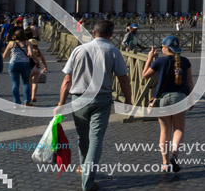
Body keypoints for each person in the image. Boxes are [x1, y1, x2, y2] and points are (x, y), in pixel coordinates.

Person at [55, 19, 132, 191]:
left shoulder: (78, 50)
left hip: (78, 99)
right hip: (101, 99)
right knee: (96, 139)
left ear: (93, 32)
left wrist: (61, 103)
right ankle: (88, 181)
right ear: (111, 35)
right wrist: (128, 99)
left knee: (83, 138)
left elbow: (67, 80)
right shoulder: (113, 51)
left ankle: (84, 169)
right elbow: (124, 78)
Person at [142, 36, 194, 172]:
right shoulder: (185, 61)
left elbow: (144, 75)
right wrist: (191, 99)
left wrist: (149, 58)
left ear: (166, 48)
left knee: (164, 131)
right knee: (179, 129)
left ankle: (165, 162)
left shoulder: (160, 61)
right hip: (180, 98)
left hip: (162, 99)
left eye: (162, 47)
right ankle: (175, 154)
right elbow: (189, 82)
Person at [2, 29, 35, 106]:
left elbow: (4, 56)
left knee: (15, 84)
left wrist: (11, 53)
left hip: (13, 64)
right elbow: (31, 53)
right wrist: (37, 61)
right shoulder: (27, 43)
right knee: (26, 83)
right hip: (25, 63)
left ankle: (16, 103)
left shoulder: (11, 44)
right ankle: (27, 101)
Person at [27, 38, 49, 106]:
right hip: (37, 69)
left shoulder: (28, 51)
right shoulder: (39, 52)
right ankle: (34, 96)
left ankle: (29, 95)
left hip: (29, 68)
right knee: (35, 83)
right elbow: (43, 61)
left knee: (29, 83)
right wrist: (45, 67)